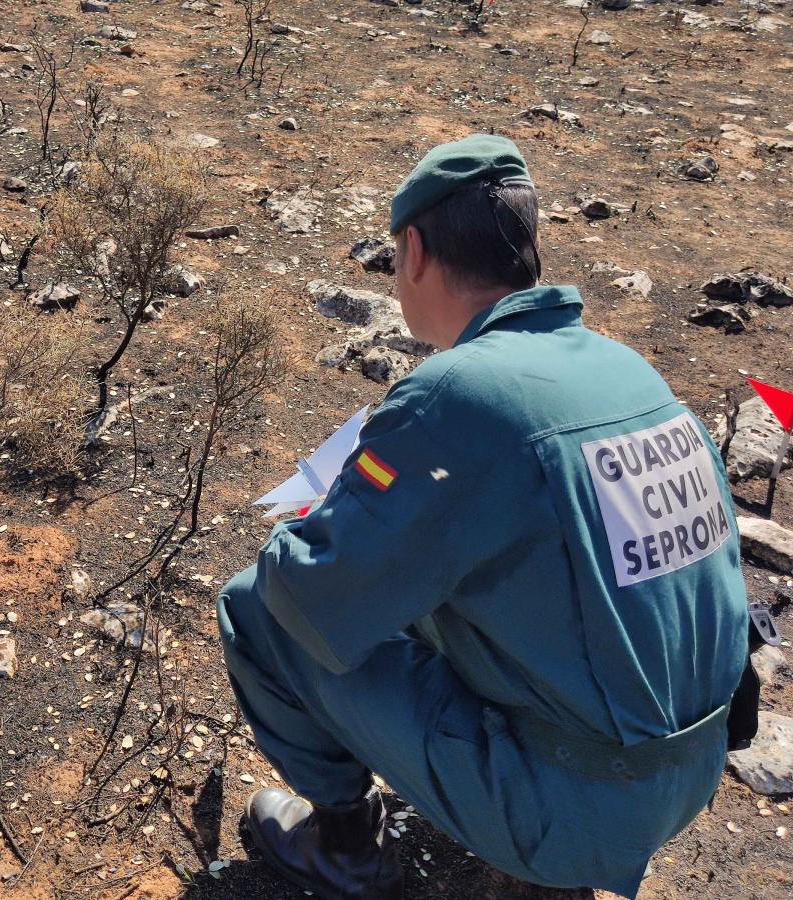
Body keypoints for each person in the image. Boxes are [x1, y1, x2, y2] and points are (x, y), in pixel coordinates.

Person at [217, 134, 749, 899]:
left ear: (417, 251)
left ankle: (343, 849)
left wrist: (311, 528)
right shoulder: (628, 370)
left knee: (256, 606)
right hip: (688, 771)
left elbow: (310, 597)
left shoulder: (459, 392)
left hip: (578, 807)